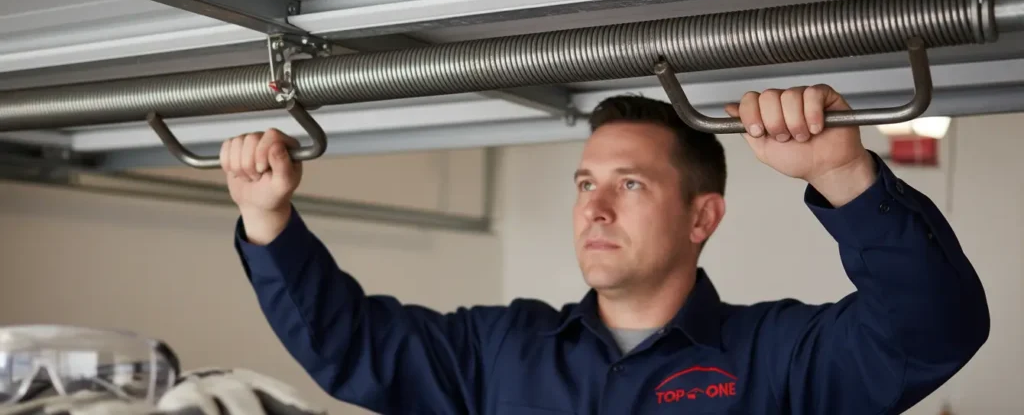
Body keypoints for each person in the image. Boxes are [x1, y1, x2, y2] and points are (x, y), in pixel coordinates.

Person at [220, 85, 990, 414]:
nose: (592, 205)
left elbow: (934, 330)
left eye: (629, 185)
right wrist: (267, 219)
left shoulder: (780, 357)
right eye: (586, 181)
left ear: (702, 217)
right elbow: (348, 346)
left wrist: (843, 173)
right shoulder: (499, 350)